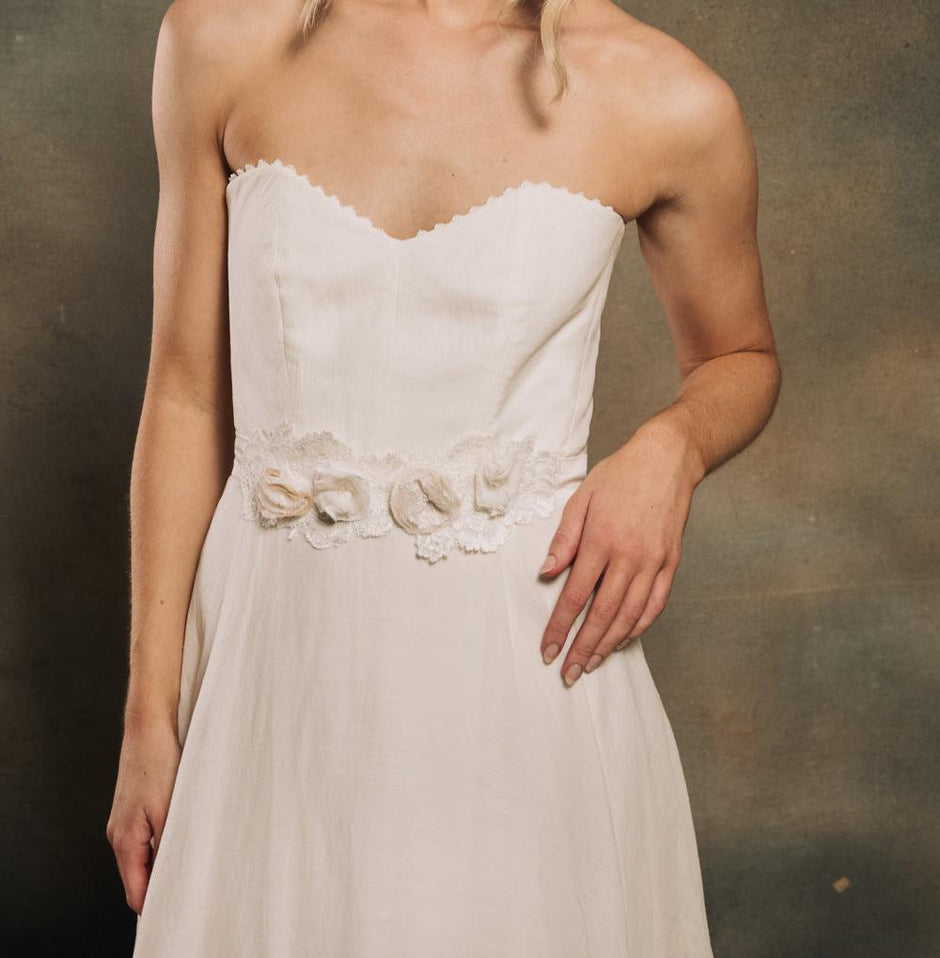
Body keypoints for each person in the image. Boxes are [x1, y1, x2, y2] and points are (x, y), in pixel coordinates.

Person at [107, 0, 780, 954]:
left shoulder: (665, 95)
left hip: (524, 681)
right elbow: (183, 394)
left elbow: (740, 356)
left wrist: (673, 447)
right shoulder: (222, 39)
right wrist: (149, 718)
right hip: (278, 682)